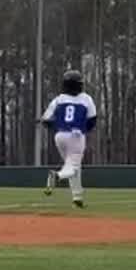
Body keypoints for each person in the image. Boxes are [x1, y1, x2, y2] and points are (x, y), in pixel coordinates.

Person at [42, 70, 97, 208]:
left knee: (72, 166)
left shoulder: (58, 99)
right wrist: (83, 131)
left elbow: (45, 120)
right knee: (72, 167)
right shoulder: (86, 98)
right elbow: (92, 120)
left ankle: (77, 198)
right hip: (76, 136)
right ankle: (57, 176)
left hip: (60, 136)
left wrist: (59, 125)